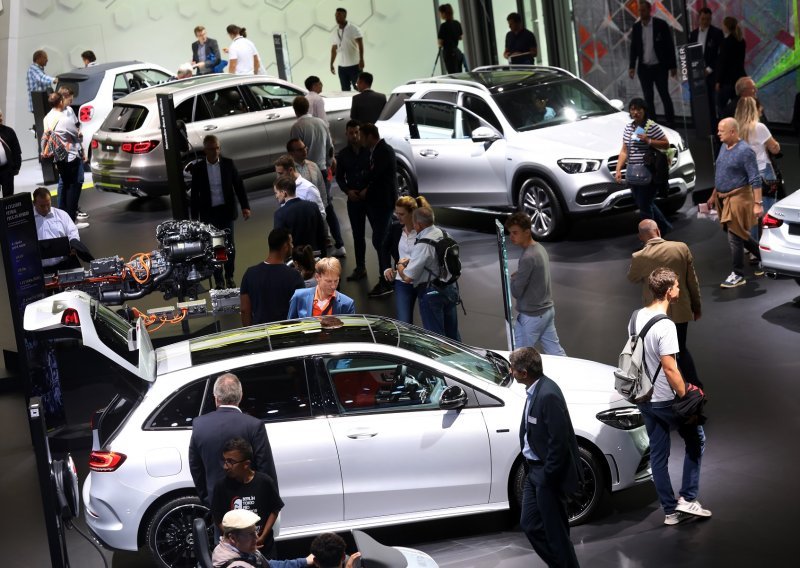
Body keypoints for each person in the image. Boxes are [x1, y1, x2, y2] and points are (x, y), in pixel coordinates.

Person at [633, 267, 711, 526]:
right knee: (696, 439)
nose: (679, 289)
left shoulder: (636, 316)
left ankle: (669, 511)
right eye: (677, 286)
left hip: (644, 398)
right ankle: (688, 497)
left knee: (658, 454)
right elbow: (669, 367)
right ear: (668, 292)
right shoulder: (666, 326)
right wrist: (686, 396)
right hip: (666, 400)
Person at [509, 346, 581, 567]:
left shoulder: (548, 395)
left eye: (513, 368)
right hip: (534, 472)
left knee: (556, 533)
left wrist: (548, 476)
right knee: (530, 525)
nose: (510, 371)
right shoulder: (535, 389)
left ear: (523, 373)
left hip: (547, 475)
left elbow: (558, 443)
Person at [627, 219, 702, 387]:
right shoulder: (681, 248)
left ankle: (667, 390)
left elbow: (632, 278)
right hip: (681, 310)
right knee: (681, 350)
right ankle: (695, 387)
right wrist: (696, 307)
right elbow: (692, 281)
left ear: (641, 237)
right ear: (658, 231)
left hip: (655, 315)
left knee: (658, 354)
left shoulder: (640, 256)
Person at [189, 373, 278, 508]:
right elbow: (265, 468)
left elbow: (196, 468)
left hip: (217, 501)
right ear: (241, 396)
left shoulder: (199, 425)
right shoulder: (254, 425)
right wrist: (270, 501)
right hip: (250, 503)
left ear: (216, 398)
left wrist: (208, 499)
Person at [706, 118, 763, 288]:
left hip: (738, 197)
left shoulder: (745, 151)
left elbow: (755, 178)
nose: (718, 133)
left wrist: (758, 203)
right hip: (723, 198)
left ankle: (738, 274)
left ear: (732, 132)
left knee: (734, 237)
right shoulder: (724, 146)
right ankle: (763, 257)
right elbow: (721, 172)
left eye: (721, 131)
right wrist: (713, 195)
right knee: (739, 234)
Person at [189, 135, 251, 289]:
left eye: (217, 148)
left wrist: (245, 207)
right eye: (211, 149)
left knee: (230, 245)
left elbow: (238, 186)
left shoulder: (228, 164)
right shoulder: (198, 169)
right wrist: (195, 218)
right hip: (209, 213)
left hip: (226, 211)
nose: (215, 151)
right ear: (205, 150)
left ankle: (229, 276)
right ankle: (218, 279)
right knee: (216, 247)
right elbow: (195, 194)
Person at [504, 212, 566, 356]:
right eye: (510, 233)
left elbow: (516, 292)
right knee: (556, 352)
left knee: (522, 357)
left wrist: (513, 279)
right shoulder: (539, 249)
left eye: (515, 233)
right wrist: (520, 275)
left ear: (527, 232)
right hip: (547, 311)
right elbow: (535, 276)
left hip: (533, 317)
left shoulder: (527, 257)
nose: (511, 236)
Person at [290, 96, 345, 257]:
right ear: (308, 108)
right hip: (321, 169)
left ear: (295, 110)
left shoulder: (297, 127)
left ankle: (315, 245)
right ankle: (339, 243)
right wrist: (329, 162)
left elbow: (294, 148)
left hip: (303, 171)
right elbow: (330, 147)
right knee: (326, 205)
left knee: (307, 209)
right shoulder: (321, 123)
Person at [212, 438, 283, 558]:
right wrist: (234, 540)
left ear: (246, 464)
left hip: (263, 547)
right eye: (224, 461)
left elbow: (274, 509)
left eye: (230, 462)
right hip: (235, 549)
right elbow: (217, 517)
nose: (225, 466)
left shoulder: (264, 482)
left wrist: (262, 537)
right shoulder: (221, 487)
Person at [397, 207, 460, 341]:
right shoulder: (445, 234)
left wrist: (400, 266)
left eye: (414, 223)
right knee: (453, 336)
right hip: (451, 289)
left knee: (437, 340)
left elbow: (408, 277)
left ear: (418, 224)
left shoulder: (423, 243)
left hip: (431, 294)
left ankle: (441, 362)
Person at [614, 97, 672, 234]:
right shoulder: (629, 127)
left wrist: (649, 140)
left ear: (644, 110)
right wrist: (618, 169)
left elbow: (666, 144)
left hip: (648, 171)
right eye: (632, 109)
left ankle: (650, 236)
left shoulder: (650, 126)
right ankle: (664, 227)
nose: (635, 112)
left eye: (638, 109)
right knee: (644, 203)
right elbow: (624, 151)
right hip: (633, 173)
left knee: (645, 205)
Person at [359, 123, 398, 298]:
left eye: (361, 135)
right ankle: (393, 275)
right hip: (378, 204)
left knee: (381, 241)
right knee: (382, 241)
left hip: (383, 204)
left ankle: (386, 280)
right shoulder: (376, 151)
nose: (360, 139)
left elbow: (375, 175)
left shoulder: (384, 151)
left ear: (369, 136)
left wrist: (365, 183)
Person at [735, 96, 780, 242]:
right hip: (763, 172)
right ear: (754, 109)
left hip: (744, 175)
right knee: (768, 211)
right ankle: (767, 245)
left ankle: (753, 247)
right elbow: (774, 148)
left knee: (751, 212)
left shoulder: (734, 129)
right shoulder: (759, 127)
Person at [240, 228, 305, 326]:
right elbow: (301, 311)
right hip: (286, 336)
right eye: (291, 243)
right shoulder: (294, 276)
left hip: (260, 335)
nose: (292, 246)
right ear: (285, 246)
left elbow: (245, 310)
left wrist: (250, 336)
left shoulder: (250, 274)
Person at [382, 195, 430, 324]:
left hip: (423, 282)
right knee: (404, 324)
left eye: (401, 214)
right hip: (402, 281)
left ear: (412, 213)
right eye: (396, 213)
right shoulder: (395, 228)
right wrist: (386, 267)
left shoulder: (424, 230)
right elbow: (384, 248)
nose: (397, 216)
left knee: (429, 324)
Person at [628, 1, 677, 125]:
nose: (641, 13)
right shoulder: (637, 27)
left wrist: (672, 66)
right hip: (644, 68)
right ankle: (652, 125)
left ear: (649, 10)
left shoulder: (660, 25)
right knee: (648, 99)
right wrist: (632, 66)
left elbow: (669, 46)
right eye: (639, 11)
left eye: (643, 10)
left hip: (659, 67)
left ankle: (671, 123)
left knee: (664, 95)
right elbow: (633, 47)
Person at [212, 509, 314, 568]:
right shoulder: (236, 566)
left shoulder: (241, 549)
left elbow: (268, 565)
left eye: (255, 532)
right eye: (251, 534)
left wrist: (304, 561)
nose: (256, 537)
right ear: (233, 538)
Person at [335, 120, 371, 282]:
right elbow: (339, 177)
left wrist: (368, 189)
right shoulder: (343, 155)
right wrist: (348, 191)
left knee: (380, 234)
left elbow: (375, 173)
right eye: (351, 133)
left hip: (370, 198)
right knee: (357, 235)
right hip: (353, 199)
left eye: (357, 132)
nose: (355, 136)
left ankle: (389, 268)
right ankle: (360, 267)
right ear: (347, 134)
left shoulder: (369, 151)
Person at [43, 92, 82, 223]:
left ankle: (62, 219)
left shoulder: (46, 118)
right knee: (72, 187)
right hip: (70, 156)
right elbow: (77, 135)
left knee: (64, 185)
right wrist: (79, 134)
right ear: (60, 102)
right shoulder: (65, 119)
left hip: (58, 157)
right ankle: (70, 221)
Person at [32, 187, 86, 272]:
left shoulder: (62, 215)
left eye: (48, 204)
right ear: (34, 203)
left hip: (65, 264)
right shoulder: (28, 221)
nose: (46, 208)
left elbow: (72, 232)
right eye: (42, 206)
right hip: (41, 270)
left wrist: (73, 245)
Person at [56, 86, 89, 224]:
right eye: (70, 98)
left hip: (75, 151)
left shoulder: (69, 111)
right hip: (66, 154)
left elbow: (76, 127)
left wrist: (82, 148)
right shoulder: (58, 115)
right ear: (64, 97)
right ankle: (67, 215)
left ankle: (69, 211)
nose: (72, 101)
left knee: (73, 181)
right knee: (69, 182)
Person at [273, 175, 327, 254]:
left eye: (276, 192)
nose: (276, 196)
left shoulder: (280, 214)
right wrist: (323, 257)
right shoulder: (313, 206)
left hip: (295, 260)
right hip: (315, 255)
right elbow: (321, 234)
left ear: (283, 193)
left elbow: (279, 243)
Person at [287, 257, 355, 319]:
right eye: (328, 281)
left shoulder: (347, 304)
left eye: (336, 281)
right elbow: (290, 327)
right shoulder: (299, 297)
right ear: (317, 277)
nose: (333, 286)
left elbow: (349, 332)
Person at [688, 7, 724, 124]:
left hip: (710, 74)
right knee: (697, 101)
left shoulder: (717, 33)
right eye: (703, 19)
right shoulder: (693, 34)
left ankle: (713, 127)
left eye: (708, 19)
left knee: (711, 102)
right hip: (696, 73)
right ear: (699, 19)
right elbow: (689, 53)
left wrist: (709, 69)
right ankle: (699, 125)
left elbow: (720, 56)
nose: (705, 21)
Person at [274, 154, 326, 221]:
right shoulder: (283, 188)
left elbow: (321, 215)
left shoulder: (308, 189)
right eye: (277, 173)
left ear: (290, 170)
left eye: (281, 173)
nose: (278, 177)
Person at [716, 16, 746, 117]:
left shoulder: (726, 43)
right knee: (737, 104)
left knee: (721, 105)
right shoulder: (741, 41)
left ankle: (725, 126)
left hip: (727, 80)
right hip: (739, 78)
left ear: (726, 26)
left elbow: (723, 63)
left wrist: (718, 81)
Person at [329, 7, 364, 91]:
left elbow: (360, 44)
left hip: (355, 66)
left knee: (359, 88)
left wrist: (361, 59)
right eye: (336, 15)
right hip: (342, 67)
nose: (336, 17)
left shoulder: (353, 28)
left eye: (339, 15)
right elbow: (334, 49)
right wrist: (331, 64)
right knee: (345, 91)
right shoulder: (335, 31)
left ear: (344, 15)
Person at [0, 108, 22, 198]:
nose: (0, 118)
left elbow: (16, 150)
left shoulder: (9, 131)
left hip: (7, 170)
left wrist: (16, 166)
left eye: (0, 115)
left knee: (9, 198)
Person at [437, 3, 464, 73]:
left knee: (452, 73)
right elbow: (461, 37)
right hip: (457, 52)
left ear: (444, 14)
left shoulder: (443, 26)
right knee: (459, 73)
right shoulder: (457, 23)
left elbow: (440, 42)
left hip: (448, 53)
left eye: (441, 13)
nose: (440, 15)